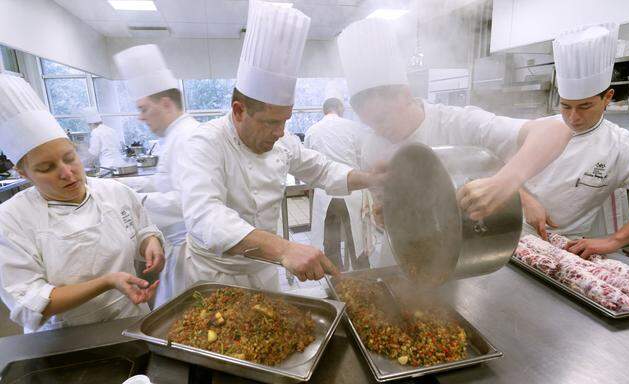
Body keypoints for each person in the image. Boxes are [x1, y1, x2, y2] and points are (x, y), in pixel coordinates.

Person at [178, 0, 381, 291]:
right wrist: (285, 249)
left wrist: (372, 179)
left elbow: (322, 169)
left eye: (285, 120)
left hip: (264, 269)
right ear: (238, 111)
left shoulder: (282, 140)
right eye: (270, 122)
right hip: (214, 276)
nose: (280, 132)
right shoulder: (204, 143)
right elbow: (206, 216)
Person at [337, 18, 573, 267]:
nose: (379, 130)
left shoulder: (458, 123)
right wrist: (382, 216)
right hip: (405, 255)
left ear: (405, 95)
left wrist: (503, 183)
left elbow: (555, 129)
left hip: (464, 254)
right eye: (370, 123)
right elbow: (384, 207)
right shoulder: (372, 145)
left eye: (382, 118)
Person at [0, 73, 165, 333]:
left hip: (130, 318)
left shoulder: (114, 191)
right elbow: (29, 302)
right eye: (46, 168)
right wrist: (107, 282)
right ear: (24, 174)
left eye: (69, 158)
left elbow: (143, 228)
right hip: (65, 338)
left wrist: (150, 242)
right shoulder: (11, 219)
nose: (67, 173)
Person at [518, 23, 629, 259]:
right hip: (515, 236)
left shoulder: (623, 146)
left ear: (607, 98)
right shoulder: (537, 129)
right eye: (565, 106)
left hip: (568, 250)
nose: (573, 117)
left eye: (585, 106)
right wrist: (525, 198)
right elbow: (496, 166)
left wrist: (614, 240)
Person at [113, 44, 199, 305]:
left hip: (189, 249)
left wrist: (131, 200)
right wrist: (121, 185)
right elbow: (165, 181)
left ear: (165, 103)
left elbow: (187, 202)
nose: (140, 117)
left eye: (143, 108)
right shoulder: (175, 135)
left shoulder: (187, 137)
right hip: (177, 248)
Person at [304, 97, 370, 271]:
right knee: (357, 243)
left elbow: (309, 166)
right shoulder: (354, 127)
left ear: (324, 110)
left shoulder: (312, 130)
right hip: (352, 192)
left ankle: (337, 282)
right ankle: (364, 282)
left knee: (331, 245)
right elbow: (364, 159)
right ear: (340, 108)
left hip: (326, 195)